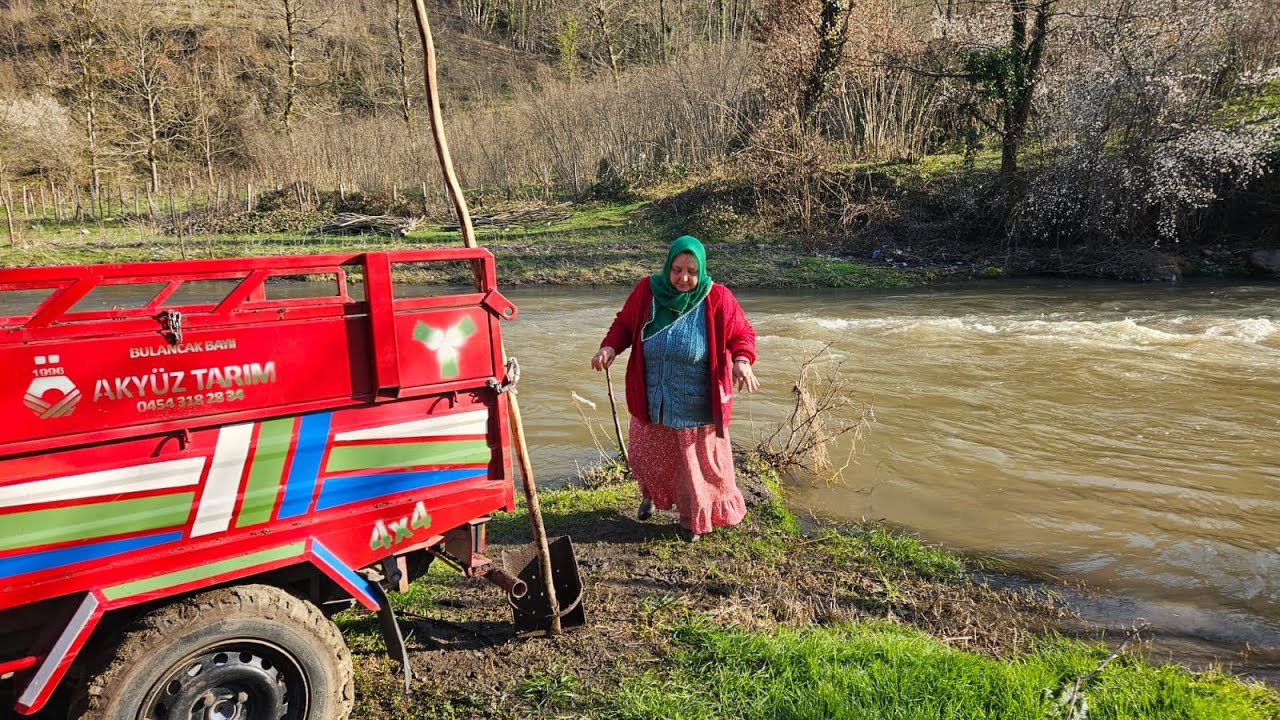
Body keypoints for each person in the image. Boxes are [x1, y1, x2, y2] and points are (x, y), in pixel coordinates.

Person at [591, 235, 759, 542]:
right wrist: (609, 348)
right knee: (647, 457)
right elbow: (625, 325)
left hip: (695, 404)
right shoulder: (647, 292)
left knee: (693, 470)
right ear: (668, 266)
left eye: (691, 271)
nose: (683, 278)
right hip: (652, 397)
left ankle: (689, 519)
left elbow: (742, 334)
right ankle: (653, 495)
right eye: (677, 269)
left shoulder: (717, 298)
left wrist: (742, 360)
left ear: (702, 270)